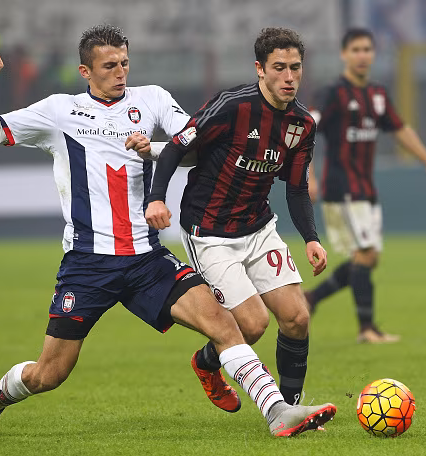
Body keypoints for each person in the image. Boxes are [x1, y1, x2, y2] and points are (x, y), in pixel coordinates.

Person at [0, 25, 336, 438]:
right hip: (89, 263)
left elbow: (194, 147)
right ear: (85, 71)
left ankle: (278, 412)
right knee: (49, 373)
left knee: (225, 325)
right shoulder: (59, 110)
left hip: (147, 259)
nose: (120, 72)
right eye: (109, 66)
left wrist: (154, 151)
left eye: (125, 63)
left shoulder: (153, 99)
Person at [144, 27, 328, 411]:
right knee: (252, 325)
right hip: (209, 232)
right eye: (279, 67)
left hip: (258, 227)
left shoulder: (302, 124)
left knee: (297, 317)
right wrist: (156, 198)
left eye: (295, 67)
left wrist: (311, 237)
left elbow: (296, 188)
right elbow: (177, 147)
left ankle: (292, 407)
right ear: (260, 69)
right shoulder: (232, 106)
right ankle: (205, 363)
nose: (289, 77)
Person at [305, 28, 426, 343]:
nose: (362, 55)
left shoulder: (378, 94)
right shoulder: (332, 93)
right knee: (366, 253)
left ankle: (312, 298)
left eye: (367, 49)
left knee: (368, 259)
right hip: (342, 188)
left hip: (366, 189)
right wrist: (308, 176)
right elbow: (307, 131)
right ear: (344, 54)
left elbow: (400, 129)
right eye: (355, 49)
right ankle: (367, 329)